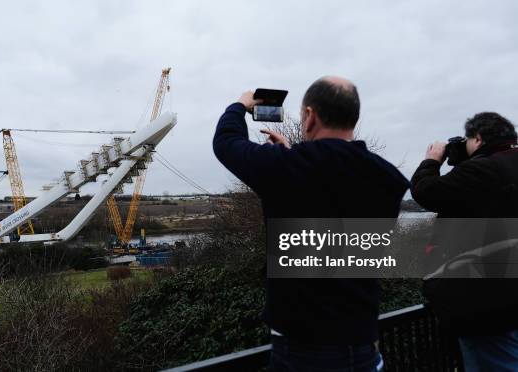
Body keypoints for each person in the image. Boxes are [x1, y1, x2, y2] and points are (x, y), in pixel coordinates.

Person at [213, 76, 409, 371]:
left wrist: (240, 104)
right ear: (353, 117)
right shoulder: (387, 177)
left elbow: (227, 142)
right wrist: (291, 154)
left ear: (309, 116)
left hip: (302, 351)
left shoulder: (285, 168)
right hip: (363, 346)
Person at [411, 112, 518, 372]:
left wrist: (431, 160)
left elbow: (426, 190)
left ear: (478, 138)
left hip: (488, 304)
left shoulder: (486, 169)